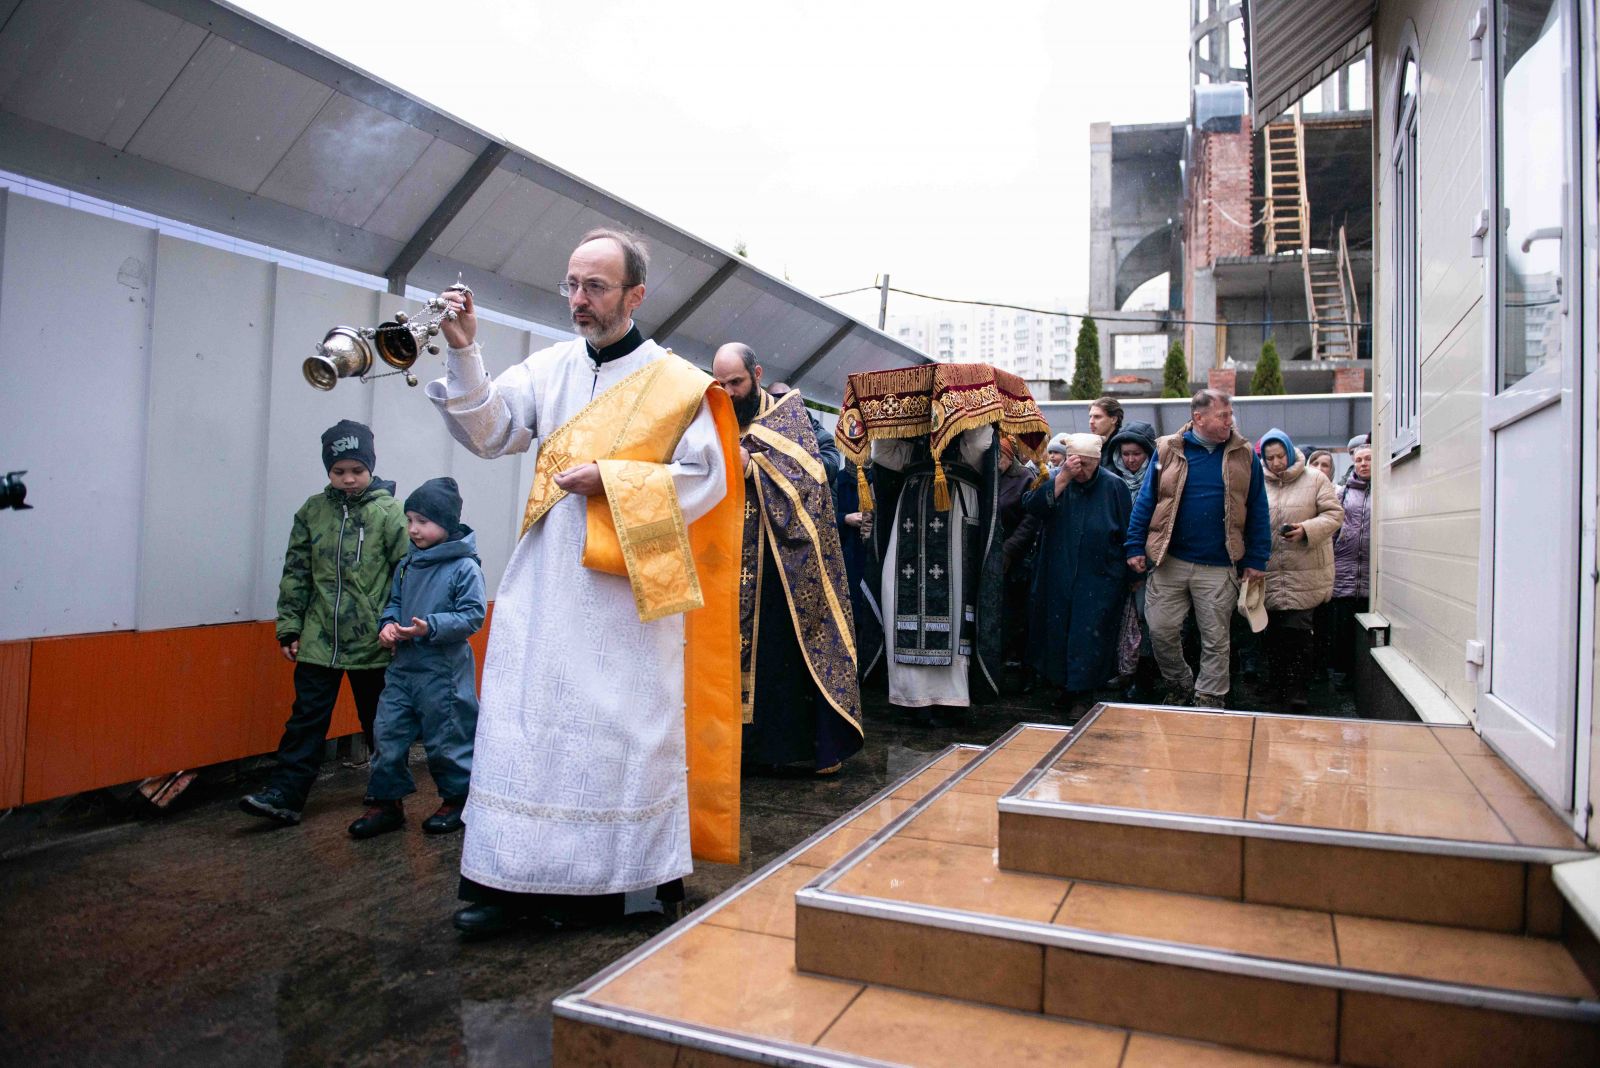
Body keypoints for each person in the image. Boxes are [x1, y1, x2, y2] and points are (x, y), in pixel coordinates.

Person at [426, 229, 742, 939]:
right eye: (571, 284)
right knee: (530, 728)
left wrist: (615, 480)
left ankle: (628, 886)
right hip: (546, 581)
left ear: (635, 294)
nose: (578, 299)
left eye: (595, 287)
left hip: (629, 592)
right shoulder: (550, 368)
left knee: (623, 735)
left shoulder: (678, 382)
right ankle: (509, 881)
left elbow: (708, 479)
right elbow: (491, 431)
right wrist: (465, 350)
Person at [241, 421, 409, 826]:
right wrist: (290, 626)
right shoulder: (312, 511)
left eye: (357, 470)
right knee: (306, 719)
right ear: (328, 470)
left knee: (380, 723)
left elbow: (407, 573)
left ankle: (388, 800)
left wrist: (398, 627)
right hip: (319, 639)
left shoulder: (390, 513)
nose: (348, 479)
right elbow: (296, 571)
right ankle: (286, 795)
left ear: (371, 466)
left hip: (374, 641)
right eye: (339, 471)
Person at [710, 343, 862, 776]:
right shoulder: (712, 416)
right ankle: (736, 749)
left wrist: (753, 467)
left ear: (756, 374)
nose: (728, 393)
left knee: (780, 659)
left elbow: (812, 477)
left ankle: (787, 750)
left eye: (736, 382)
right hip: (727, 560)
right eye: (721, 384)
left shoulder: (789, 416)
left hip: (781, 565)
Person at [348, 477, 486, 839]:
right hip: (403, 669)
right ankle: (386, 803)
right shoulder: (407, 565)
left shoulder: (465, 567)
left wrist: (431, 627)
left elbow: (473, 615)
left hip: (443, 673)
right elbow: (394, 603)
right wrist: (387, 625)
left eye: (423, 521)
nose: (413, 529)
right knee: (386, 733)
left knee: (447, 738)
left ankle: (457, 800)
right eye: (409, 520)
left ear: (447, 524)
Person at [1125, 390, 1271, 708]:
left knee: (1216, 638)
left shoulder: (1244, 454)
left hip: (1219, 564)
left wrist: (1257, 558)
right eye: (1223, 415)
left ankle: (1210, 696)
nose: (1229, 421)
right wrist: (1134, 545)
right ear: (1198, 418)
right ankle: (1179, 684)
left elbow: (1259, 509)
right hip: (1169, 560)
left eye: (1230, 414)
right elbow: (1147, 500)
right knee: (1160, 630)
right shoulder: (1167, 449)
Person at [1023, 433, 1133, 719]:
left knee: (1089, 636)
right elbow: (1032, 507)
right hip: (1058, 570)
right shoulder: (1057, 478)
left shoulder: (1113, 486)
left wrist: (1126, 572)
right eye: (1076, 463)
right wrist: (1062, 479)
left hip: (1098, 575)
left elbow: (1127, 530)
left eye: (1086, 464)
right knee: (1057, 630)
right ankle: (1064, 687)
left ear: (1097, 461)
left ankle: (1082, 694)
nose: (1080, 470)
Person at [1259, 429, 1344, 712]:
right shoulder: (1257, 482)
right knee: (1272, 635)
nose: (1276, 462)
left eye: (1280, 456)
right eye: (1270, 458)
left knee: (1298, 634)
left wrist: (1306, 530)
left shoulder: (1315, 478)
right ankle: (1277, 687)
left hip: (1305, 570)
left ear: (1289, 451)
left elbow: (1334, 514)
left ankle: (1297, 690)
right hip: (1270, 571)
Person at [1102, 419, 1159, 697]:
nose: (1131, 459)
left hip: (1148, 562)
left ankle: (1143, 677)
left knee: (1145, 619)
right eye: (1125, 454)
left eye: (1137, 454)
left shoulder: (1158, 481)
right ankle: (1121, 669)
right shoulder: (1111, 479)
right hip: (1116, 562)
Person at [1326, 443, 1373, 689]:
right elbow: (1332, 530)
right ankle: (1340, 679)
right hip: (1343, 572)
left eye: (1368, 459)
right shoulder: (1343, 493)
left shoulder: (1385, 491)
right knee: (1341, 630)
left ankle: (1359, 678)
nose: (1363, 464)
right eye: (1359, 460)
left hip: (1370, 575)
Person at [996, 434, 1043, 677]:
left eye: (1000, 456)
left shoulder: (1025, 477)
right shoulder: (987, 477)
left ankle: (1023, 669)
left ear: (1009, 455)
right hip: (992, 554)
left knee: (1018, 615)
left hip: (1017, 557)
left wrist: (1010, 548)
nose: (996, 462)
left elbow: (1031, 519)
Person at [1088, 396, 1126, 468]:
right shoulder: (1093, 445)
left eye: (1097, 417)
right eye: (1090, 417)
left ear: (1113, 419)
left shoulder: (1123, 446)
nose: (1091, 421)